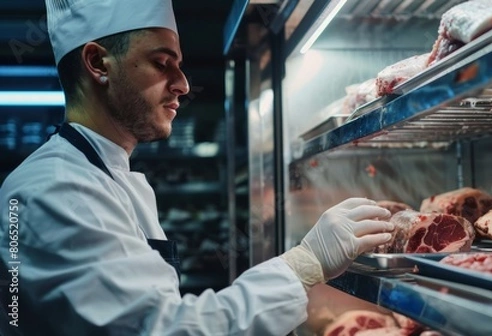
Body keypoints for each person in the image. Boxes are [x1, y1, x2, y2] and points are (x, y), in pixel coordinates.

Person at [0, 0, 395, 335]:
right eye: (162, 63)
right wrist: (303, 265)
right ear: (98, 63)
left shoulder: (110, 178)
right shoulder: (54, 191)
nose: (183, 84)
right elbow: (164, 328)